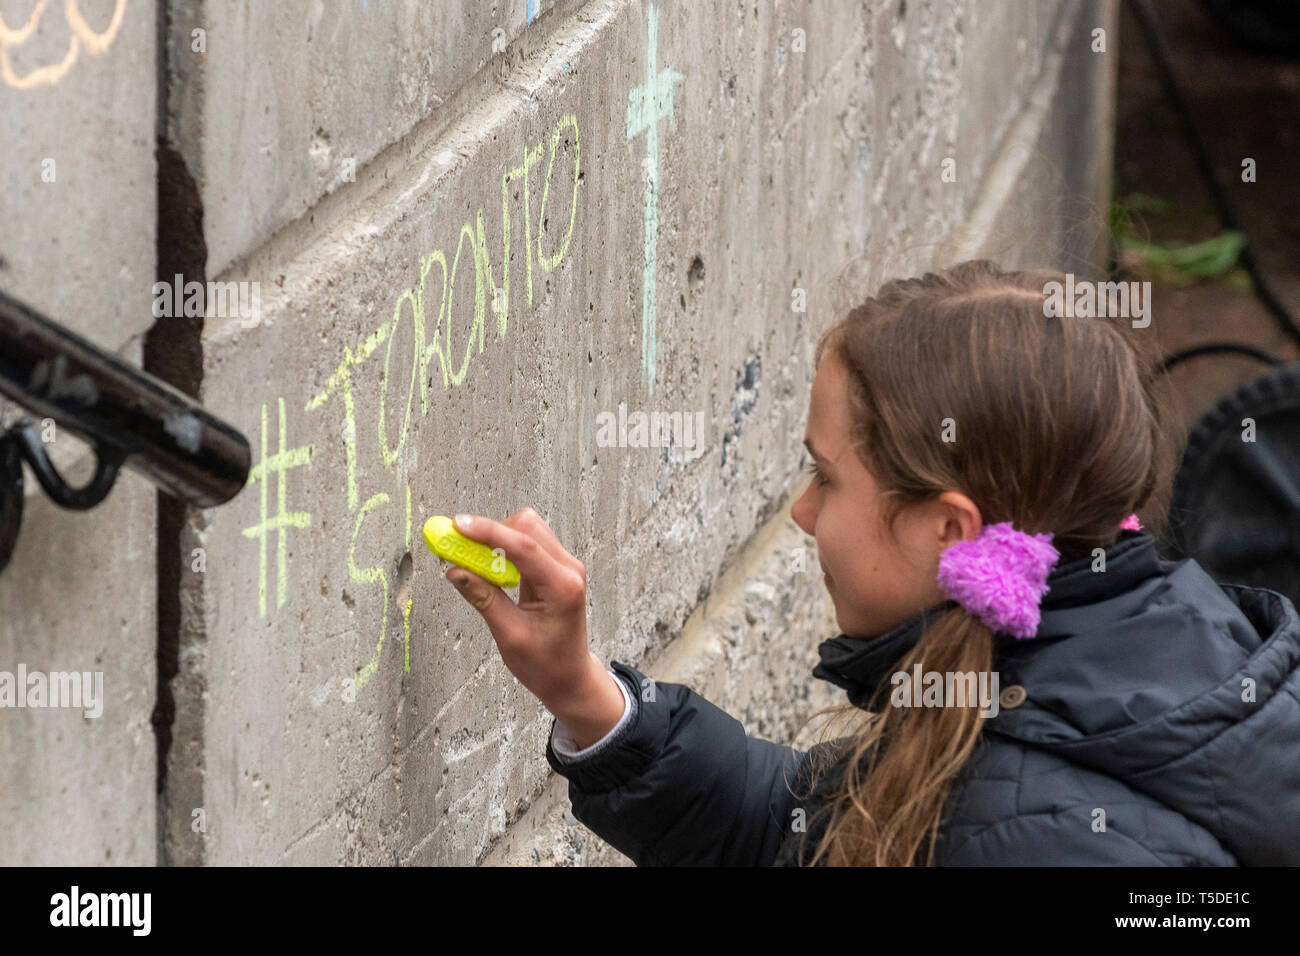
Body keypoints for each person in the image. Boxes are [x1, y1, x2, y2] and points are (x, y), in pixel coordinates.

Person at [442, 259, 1300, 866]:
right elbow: (798, 834)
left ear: (951, 530)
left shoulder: (1032, 826)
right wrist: (588, 697)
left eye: (825, 475)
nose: (805, 515)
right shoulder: (1149, 651)